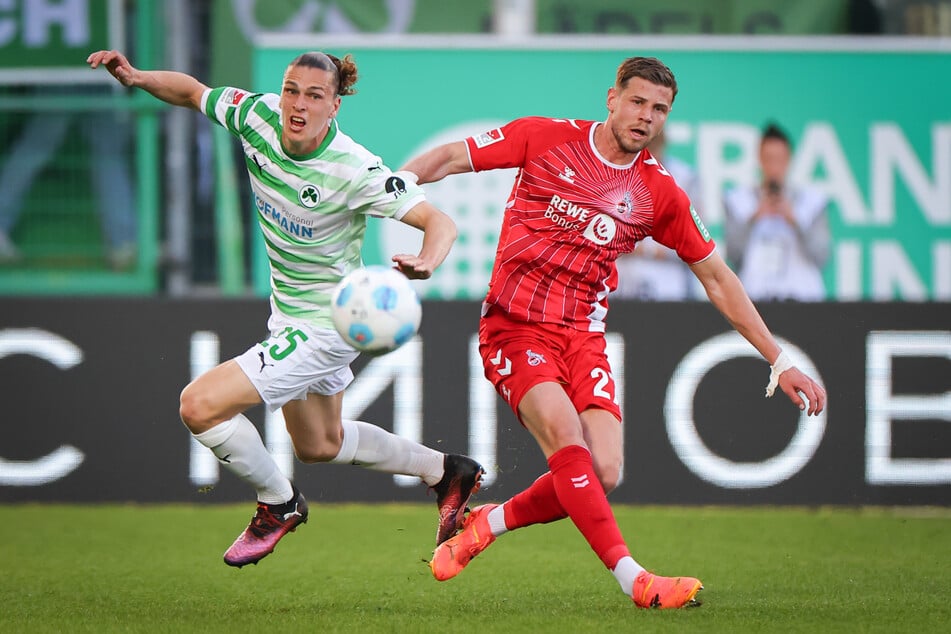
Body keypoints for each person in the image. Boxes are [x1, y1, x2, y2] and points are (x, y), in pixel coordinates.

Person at [400, 56, 826, 609]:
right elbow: (454, 156)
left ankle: (487, 523)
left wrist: (778, 358)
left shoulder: (659, 192)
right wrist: (397, 187)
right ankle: (635, 578)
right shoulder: (545, 138)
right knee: (565, 439)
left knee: (604, 470)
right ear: (612, 98)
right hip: (515, 327)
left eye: (660, 109)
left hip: (582, 336)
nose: (646, 116)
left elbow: (717, 278)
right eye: (638, 102)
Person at [86, 49, 483, 567]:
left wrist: (429, 260)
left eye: (314, 96)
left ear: (335, 106)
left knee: (199, 406)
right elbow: (191, 91)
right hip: (289, 312)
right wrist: (138, 78)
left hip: (332, 323)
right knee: (320, 443)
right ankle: (447, 471)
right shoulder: (258, 116)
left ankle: (278, 503)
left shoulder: (355, 168)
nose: (297, 105)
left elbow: (440, 222)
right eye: (291, 89)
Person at [0, 85, 137, 269]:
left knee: (109, 153)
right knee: (37, 146)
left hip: (105, 76)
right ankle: (124, 242)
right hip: (68, 71)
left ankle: (124, 242)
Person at [723, 122, 831, 301]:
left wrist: (795, 221)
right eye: (768, 159)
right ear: (759, 158)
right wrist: (754, 219)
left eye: (779, 159)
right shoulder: (738, 201)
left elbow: (822, 256)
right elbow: (733, 256)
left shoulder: (812, 202)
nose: (774, 167)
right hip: (754, 301)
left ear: (789, 159)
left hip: (803, 301)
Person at [613, 128, 699, 300]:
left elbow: (694, 239)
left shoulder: (685, 178)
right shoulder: (618, 171)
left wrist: (649, 251)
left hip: (669, 286)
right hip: (624, 283)